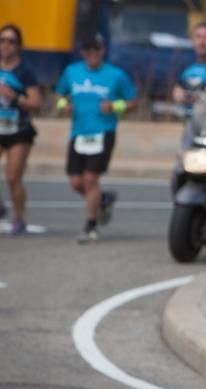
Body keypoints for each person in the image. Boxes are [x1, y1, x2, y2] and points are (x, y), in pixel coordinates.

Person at [54, 33, 137, 243]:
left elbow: (133, 100)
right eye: (88, 50)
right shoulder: (72, 72)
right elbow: (59, 95)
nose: (92, 54)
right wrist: (64, 106)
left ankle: (91, 226)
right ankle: (103, 200)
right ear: (83, 53)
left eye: (96, 50)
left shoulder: (115, 75)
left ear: (103, 51)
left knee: (91, 179)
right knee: (76, 182)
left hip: (103, 133)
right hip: (79, 132)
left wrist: (115, 106)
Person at [0, 24, 42, 236]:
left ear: (18, 46)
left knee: (12, 177)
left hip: (18, 130)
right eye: (3, 40)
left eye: (11, 41)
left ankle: (19, 218)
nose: (6, 45)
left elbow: (36, 102)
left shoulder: (24, 71)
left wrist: (14, 96)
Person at [170, 21, 206, 106]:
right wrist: (179, 95)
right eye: (198, 36)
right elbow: (176, 89)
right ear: (192, 41)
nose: (202, 42)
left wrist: (200, 98)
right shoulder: (185, 64)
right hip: (183, 116)